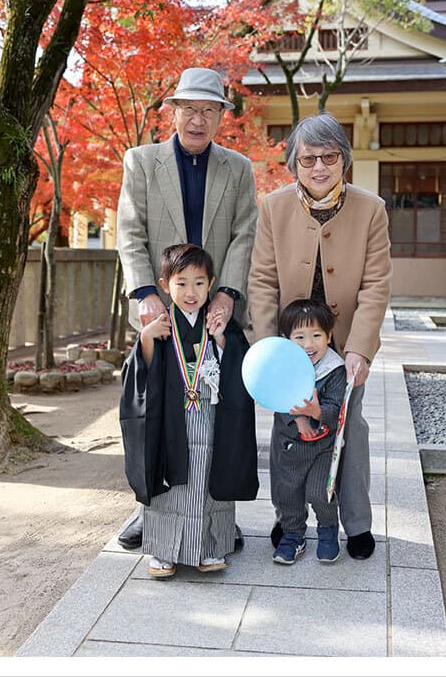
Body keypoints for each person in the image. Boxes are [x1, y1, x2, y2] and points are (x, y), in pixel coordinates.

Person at [115, 66, 258, 551]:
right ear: (173, 111)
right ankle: (149, 510)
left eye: (208, 110)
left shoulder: (237, 168)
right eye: (189, 109)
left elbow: (244, 235)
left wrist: (227, 292)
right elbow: (130, 231)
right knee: (154, 410)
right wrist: (144, 294)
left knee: (220, 412)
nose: (198, 119)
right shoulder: (142, 161)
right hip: (162, 306)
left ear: (222, 115)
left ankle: (216, 515)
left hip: (216, 308)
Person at [248, 112, 392, 560]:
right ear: (294, 163)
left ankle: (357, 524)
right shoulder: (274, 207)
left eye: (329, 156)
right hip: (291, 347)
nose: (319, 167)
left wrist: (360, 349)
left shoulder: (371, 209)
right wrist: (267, 351)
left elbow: (375, 284)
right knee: (288, 430)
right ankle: (287, 518)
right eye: (308, 158)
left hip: (344, 344)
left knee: (349, 430)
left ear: (343, 160)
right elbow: (262, 280)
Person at [118, 244, 258, 577]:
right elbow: (137, 374)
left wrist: (224, 340)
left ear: (211, 284)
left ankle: (209, 548)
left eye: (199, 283)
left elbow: (242, 365)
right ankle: (164, 552)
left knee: (209, 480)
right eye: (181, 283)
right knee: (173, 488)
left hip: (211, 419)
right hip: (171, 422)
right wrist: (148, 340)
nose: (191, 292)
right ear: (165, 285)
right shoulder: (161, 325)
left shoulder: (220, 322)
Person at [270, 299, 347, 565]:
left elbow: (335, 408)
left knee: (318, 491)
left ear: (329, 336)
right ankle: (293, 535)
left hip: (322, 446)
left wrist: (316, 413)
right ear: (286, 339)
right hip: (291, 444)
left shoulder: (335, 369)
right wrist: (299, 422)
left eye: (317, 335)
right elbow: (278, 401)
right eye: (299, 337)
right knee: (287, 494)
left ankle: (327, 531)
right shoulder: (281, 366)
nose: (308, 344)